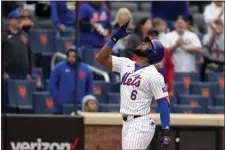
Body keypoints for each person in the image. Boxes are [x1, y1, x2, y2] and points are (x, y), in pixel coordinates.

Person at [96, 22, 171, 149]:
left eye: (147, 43)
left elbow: (163, 102)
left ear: (152, 53)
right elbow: (100, 58)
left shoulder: (154, 74)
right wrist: (114, 38)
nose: (143, 42)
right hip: (127, 122)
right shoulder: (126, 63)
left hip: (140, 122)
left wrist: (165, 132)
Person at [48, 46, 94, 114]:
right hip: (61, 108)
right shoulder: (58, 68)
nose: (70, 58)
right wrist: (58, 100)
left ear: (78, 57)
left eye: (73, 56)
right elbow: (52, 85)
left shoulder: (86, 70)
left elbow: (89, 88)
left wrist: (86, 103)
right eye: (69, 56)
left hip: (80, 106)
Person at [2, 10, 33, 80]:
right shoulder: (3, 35)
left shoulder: (24, 35)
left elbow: (30, 54)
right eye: (16, 19)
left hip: (23, 74)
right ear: (9, 21)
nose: (19, 21)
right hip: (8, 75)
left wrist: (29, 72)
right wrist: (2, 72)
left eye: (20, 19)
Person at [148, 28, 174, 94]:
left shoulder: (165, 51)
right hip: (146, 87)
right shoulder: (140, 52)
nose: (153, 37)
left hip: (163, 86)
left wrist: (168, 82)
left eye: (155, 35)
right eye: (151, 35)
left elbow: (171, 67)